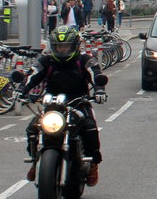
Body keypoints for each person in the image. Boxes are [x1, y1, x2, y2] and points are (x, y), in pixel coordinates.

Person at [22, 25, 107, 186]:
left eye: (66, 46)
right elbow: (32, 74)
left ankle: (93, 164)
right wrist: (21, 90)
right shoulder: (47, 60)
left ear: (75, 46)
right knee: (33, 128)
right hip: (52, 105)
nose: (62, 50)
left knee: (90, 128)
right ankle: (35, 159)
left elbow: (96, 73)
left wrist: (99, 89)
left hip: (79, 102)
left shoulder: (84, 60)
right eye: (59, 46)